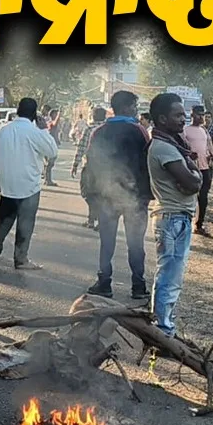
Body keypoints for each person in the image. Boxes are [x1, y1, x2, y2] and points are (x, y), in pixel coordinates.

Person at [145, 93, 203, 337]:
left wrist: (193, 176)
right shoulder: (163, 147)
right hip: (172, 218)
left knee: (171, 277)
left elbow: (193, 177)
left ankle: (164, 328)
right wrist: (195, 178)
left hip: (176, 217)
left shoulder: (172, 144)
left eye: (184, 114)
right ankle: (163, 332)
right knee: (169, 279)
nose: (183, 119)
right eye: (178, 115)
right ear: (162, 118)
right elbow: (193, 182)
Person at [85, 90, 152, 300]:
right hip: (135, 197)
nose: (136, 110)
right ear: (125, 107)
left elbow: (91, 165)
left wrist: (92, 196)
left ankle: (104, 283)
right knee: (135, 242)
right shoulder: (139, 131)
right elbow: (147, 162)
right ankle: (138, 286)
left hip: (107, 196)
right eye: (134, 106)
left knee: (107, 242)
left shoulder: (99, 132)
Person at [0, 97, 58, 270]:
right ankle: (21, 259)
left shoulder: (3, 130)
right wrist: (44, 130)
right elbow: (52, 152)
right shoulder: (34, 132)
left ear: (18, 110)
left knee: (3, 220)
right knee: (25, 223)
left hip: (7, 185)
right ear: (34, 114)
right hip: (29, 187)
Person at [183, 105, 213, 238]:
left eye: (202, 114)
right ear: (192, 115)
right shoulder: (185, 130)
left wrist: (212, 155)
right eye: (198, 114)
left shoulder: (204, 130)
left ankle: (199, 224)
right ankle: (186, 223)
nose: (201, 117)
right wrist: (189, 155)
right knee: (189, 197)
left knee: (203, 197)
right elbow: (181, 146)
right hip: (190, 168)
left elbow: (209, 146)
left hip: (204, 168)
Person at [76, 107, 107, 229]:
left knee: (87, 193)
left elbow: (81, 148)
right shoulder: (107, 130)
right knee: (101, 195)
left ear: (93, 116)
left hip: (90, 166)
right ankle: (99, 221)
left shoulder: (88, 129)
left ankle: (91, 220)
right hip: (106, 168)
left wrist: (75, 164)